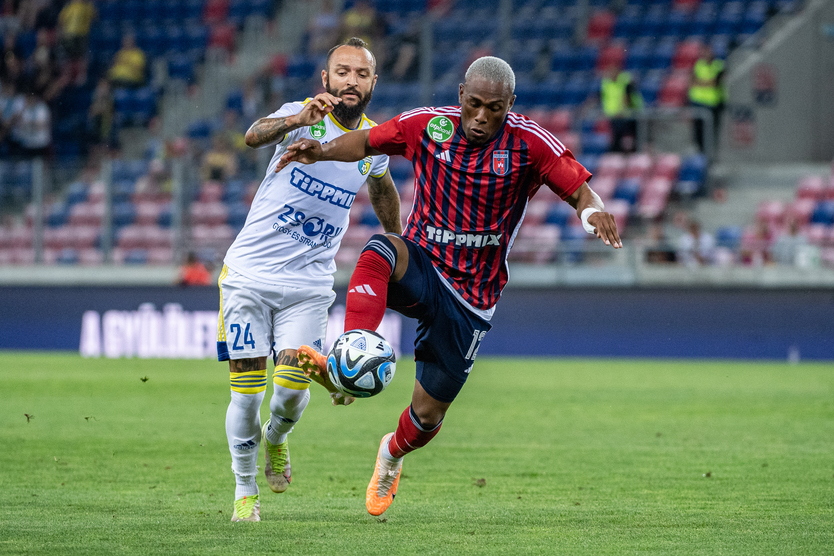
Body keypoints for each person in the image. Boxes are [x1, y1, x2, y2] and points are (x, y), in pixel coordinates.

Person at [279, 56, 622, 516]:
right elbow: (365, 141)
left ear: (510, 105)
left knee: (427, 417)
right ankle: (352, 354)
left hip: (471, 296)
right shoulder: (427, 126)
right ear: (461, 95)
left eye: (494, 109)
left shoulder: (529, 143)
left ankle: (390, 455)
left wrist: (592, 212)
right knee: (379, 250)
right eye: (474, 104)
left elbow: (579, 190)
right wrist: (319, 151)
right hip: (422, 264)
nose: (481, 117)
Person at [216, 37, 402, 523]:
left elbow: (382, 188)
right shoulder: (300, 114)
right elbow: (253, 136)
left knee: (290, 392)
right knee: (246, 394)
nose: (350, 81)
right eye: (342, 72)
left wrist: (398, 242)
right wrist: (295, 120)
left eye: (361, 74)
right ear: (326, 78)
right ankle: (244, 491)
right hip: (249, 275)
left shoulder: (373, 143)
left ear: (373, 83)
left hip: (309, 286)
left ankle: (277, 438)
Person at [599, 63, 643, 153]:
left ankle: (632, 152)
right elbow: (604, 98)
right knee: (617, 136)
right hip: (614, 115)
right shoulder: (606, 83)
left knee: (630, 135)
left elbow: (627, 97)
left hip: (629, 114)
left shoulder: (625, 81)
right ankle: (617, 152)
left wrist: (622, 110)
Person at [689, 45, 724, 154]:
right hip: (698, 102)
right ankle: (700, 152)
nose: (706, 55)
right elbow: (691, 82)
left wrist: (700, 82)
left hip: (712, 104)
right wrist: (707, 83)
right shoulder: (698, 65)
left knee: (711, 130)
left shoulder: (719, 65)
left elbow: (715, 83)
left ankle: (710, 153)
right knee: (698, 131)